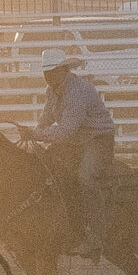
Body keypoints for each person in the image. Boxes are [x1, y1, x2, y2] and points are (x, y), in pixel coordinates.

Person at [17, 48, 118, 257]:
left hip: (97, 139)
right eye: (46, 72)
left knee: (85, 177)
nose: (48, 76)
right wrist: (34, 131)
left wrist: (36, 134)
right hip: (75, 141)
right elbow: (47, 117)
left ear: (63, 70)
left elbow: (65, 130)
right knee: (47, 169)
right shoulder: (53, 90)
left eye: (51, 71)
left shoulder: (78, 92)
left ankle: (98, 234)